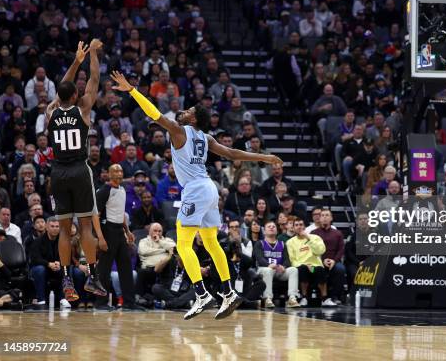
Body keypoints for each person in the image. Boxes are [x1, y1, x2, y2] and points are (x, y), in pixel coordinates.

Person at [110, 70, 283, 320]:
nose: (184, 110)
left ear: (193, 118)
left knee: (183, 244)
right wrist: (264, 158)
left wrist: (132, 90)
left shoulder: (180, 131)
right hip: (210, 188)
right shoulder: (205, 136)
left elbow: (152, 113)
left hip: (195, 189)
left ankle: (201, 294)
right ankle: (228, 292)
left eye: (188, 110)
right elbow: (233, 154)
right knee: (211, 242)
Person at [45, 40, 107, 302]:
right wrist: (92, 53)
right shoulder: (83, 109)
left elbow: (62, 88)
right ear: (74, 96)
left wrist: (75, 60)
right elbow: (94, 78)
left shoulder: (50, 111)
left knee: (63, 229)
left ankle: (67, 278)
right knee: (85, 228)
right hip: (80, 171)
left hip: (58, 173)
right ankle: (92, 277)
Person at [95, 164, 140, 310]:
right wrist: (100, 238)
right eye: (115, 170)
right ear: (108, 174)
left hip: (119, 231)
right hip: (107, 230)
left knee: (126, 267)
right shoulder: (103, 191)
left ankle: (129, 303)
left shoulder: (122, 189)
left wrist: (127, 231)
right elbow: (95, 216)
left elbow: (120, 213)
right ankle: (101, 303)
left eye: (120, 170)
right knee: (104, 269)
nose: (119, 173)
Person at [286, 219, 333, 307]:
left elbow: (320, 251)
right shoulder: (290, 242)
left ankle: (324, 298)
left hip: (315, 265)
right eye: (296, 225)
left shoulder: (315, 237)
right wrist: (303, 265)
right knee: (302, 269)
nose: (299, 226)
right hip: (301, 265)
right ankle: (304, 297)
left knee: (320, 269)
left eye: (301, 224)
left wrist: (308, 238)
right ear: (293, 228)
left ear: (304, 227)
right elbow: (292, 260)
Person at [255, 222, 300, 308]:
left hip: (278, 270)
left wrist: (284, 267)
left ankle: (292, 298)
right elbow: (259, 259)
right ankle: (267, 298)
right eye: (269, 226)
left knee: (293, 270)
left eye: (273, 226)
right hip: (264, 269)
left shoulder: (282, 244)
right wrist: (269, 265)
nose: (271, 228)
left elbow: (287, 260)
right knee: (268, 270)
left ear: (276, 230)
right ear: (264, 231)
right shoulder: (260, 243)